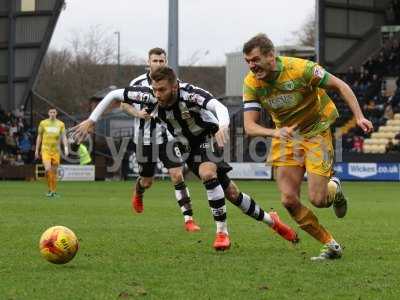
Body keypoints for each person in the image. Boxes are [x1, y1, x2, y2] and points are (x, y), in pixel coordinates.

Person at [72, 66, 298, 251]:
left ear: (175, 86)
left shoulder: (191, 94)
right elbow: (113, 95)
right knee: (232, 193)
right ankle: (272, 221)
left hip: (207, 136)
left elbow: (218, 106)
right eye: (155, 90)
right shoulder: (149, 95)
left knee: (207, 174)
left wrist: (223, 125)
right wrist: (92, 120)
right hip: (186, 146)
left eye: (162, 90)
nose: (157, 95)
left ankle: (222, 234)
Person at [242, 33, 373, 260]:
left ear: (271, 56)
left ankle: (335, 189)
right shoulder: (252, 83)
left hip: (316, 131)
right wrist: (275, 132)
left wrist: (359, 116)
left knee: (319, 200)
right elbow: (249, 126)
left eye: (255, 60)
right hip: (286, 137)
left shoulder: (301, 69)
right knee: (288, 200)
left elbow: (340, 85)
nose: (252, 66)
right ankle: (330, 244)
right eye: (248, 62)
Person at [122, 47, 200, 232]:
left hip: (168, 137)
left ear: (166, 63)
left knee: (177, 174)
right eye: (155, 61)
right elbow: (123, 104)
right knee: (147, 181)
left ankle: (189, 219)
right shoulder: (137, 82)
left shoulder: (174, 82)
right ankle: (139, 192)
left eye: (161, 61)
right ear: (148, 62)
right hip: (144, 140)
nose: (158, 64)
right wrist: (137, 113)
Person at [35, 108, 69, 197]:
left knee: (54, 173)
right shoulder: (43, 123)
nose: (52, 114)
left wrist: (66, 148)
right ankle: (50, 190)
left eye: (54, 112)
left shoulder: (61, 124)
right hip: (45, 149)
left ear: (56, 113)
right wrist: (36, 149)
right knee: (47, 169)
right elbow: (39, 136)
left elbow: (64, 136)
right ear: (48, 113)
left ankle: (52, 191)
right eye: (51, 112)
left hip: (56, 151)